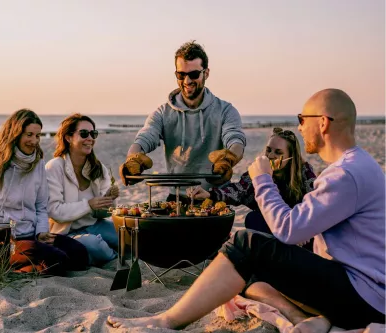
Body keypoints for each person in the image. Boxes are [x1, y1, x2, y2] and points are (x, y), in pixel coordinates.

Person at [107, 88, 385, 331]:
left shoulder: (345, 175)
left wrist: (262, 179)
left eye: (302, 119)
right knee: (246, 275)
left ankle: (167, 321)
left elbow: (288, 229)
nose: (300, 127)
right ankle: (302, 317)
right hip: (360, 287)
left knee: (245, 242)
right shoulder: (357, 166)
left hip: (365, 296)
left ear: (323, 123)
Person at [0, 109, 88, 276]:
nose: (34, 141)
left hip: (32, 237)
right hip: (5, 241)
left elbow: (41, 207)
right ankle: (11, 266)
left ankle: (26, 266)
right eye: (29, 134)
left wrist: (42, 232)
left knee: (80, 255)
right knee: (56, 261)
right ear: (15, 134)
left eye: (37, 135)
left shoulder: (38, 165)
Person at [119, 40, 246, 200]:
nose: (187, 81)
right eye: (181, 75)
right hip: (176, 197)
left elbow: (236, 141)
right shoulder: (162, 112)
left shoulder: (225, 110)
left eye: (193, 74)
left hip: (212, 196)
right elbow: (145, 138)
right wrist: (132, 159)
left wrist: (228, 160)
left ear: (206, 73)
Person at [188, 127, 317, 250]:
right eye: (268, 150)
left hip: (300, 227)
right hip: (272, 228)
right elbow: (239, 190)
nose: (271, 155)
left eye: (278, 152)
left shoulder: (304, 171)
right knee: (253, 218)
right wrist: (210, 195)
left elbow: (315, 203)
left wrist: (302, 230)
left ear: (291, 157)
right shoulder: (259, 170)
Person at [46, 113, 119, 266]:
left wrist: (108, 202)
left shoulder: (98, 167)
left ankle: (106, 255)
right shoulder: (54, 167)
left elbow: (104, 214)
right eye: (84, 133)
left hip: (95, 225)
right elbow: (55, 211)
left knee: (127, 234)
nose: (90, 138)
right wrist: (89, 204)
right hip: (66, 232)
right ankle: (115, 258)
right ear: (68, 137)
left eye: (93, 133)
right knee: (95, 245)